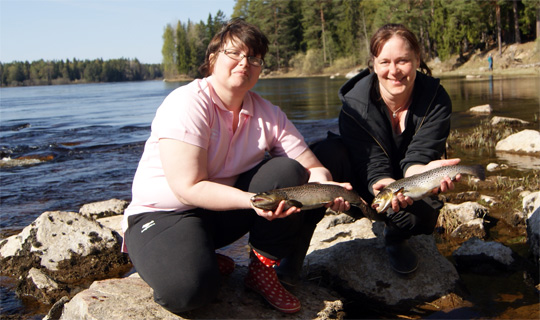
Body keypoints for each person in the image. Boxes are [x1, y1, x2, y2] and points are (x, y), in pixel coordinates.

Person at [122, 18, 350, 315]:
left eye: (254, 57)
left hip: (220, 215)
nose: (245, 62)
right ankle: (181, 257)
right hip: (164, 215)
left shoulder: (268, 113)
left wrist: (327, 189)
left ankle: (262, 271)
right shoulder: (186, 104)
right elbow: (187, 188)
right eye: (235, 53)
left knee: (287, 172)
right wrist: (253, 202)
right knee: (188, 292)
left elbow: (312, 167)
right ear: (213, 58)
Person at [313, 23, 460, 275]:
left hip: (407, 182)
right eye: (385, 62)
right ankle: (292, 257)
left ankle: (395, 236)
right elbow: (367, 160)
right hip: (366, 180)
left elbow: (420, 155)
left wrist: (422, 175)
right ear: (373, 64)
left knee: (422, 218)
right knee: (324, 154)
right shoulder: (354, 105)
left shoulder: (436, 99)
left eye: (403, 60)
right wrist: (382, 183)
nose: (394, 71)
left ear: (417, 59)